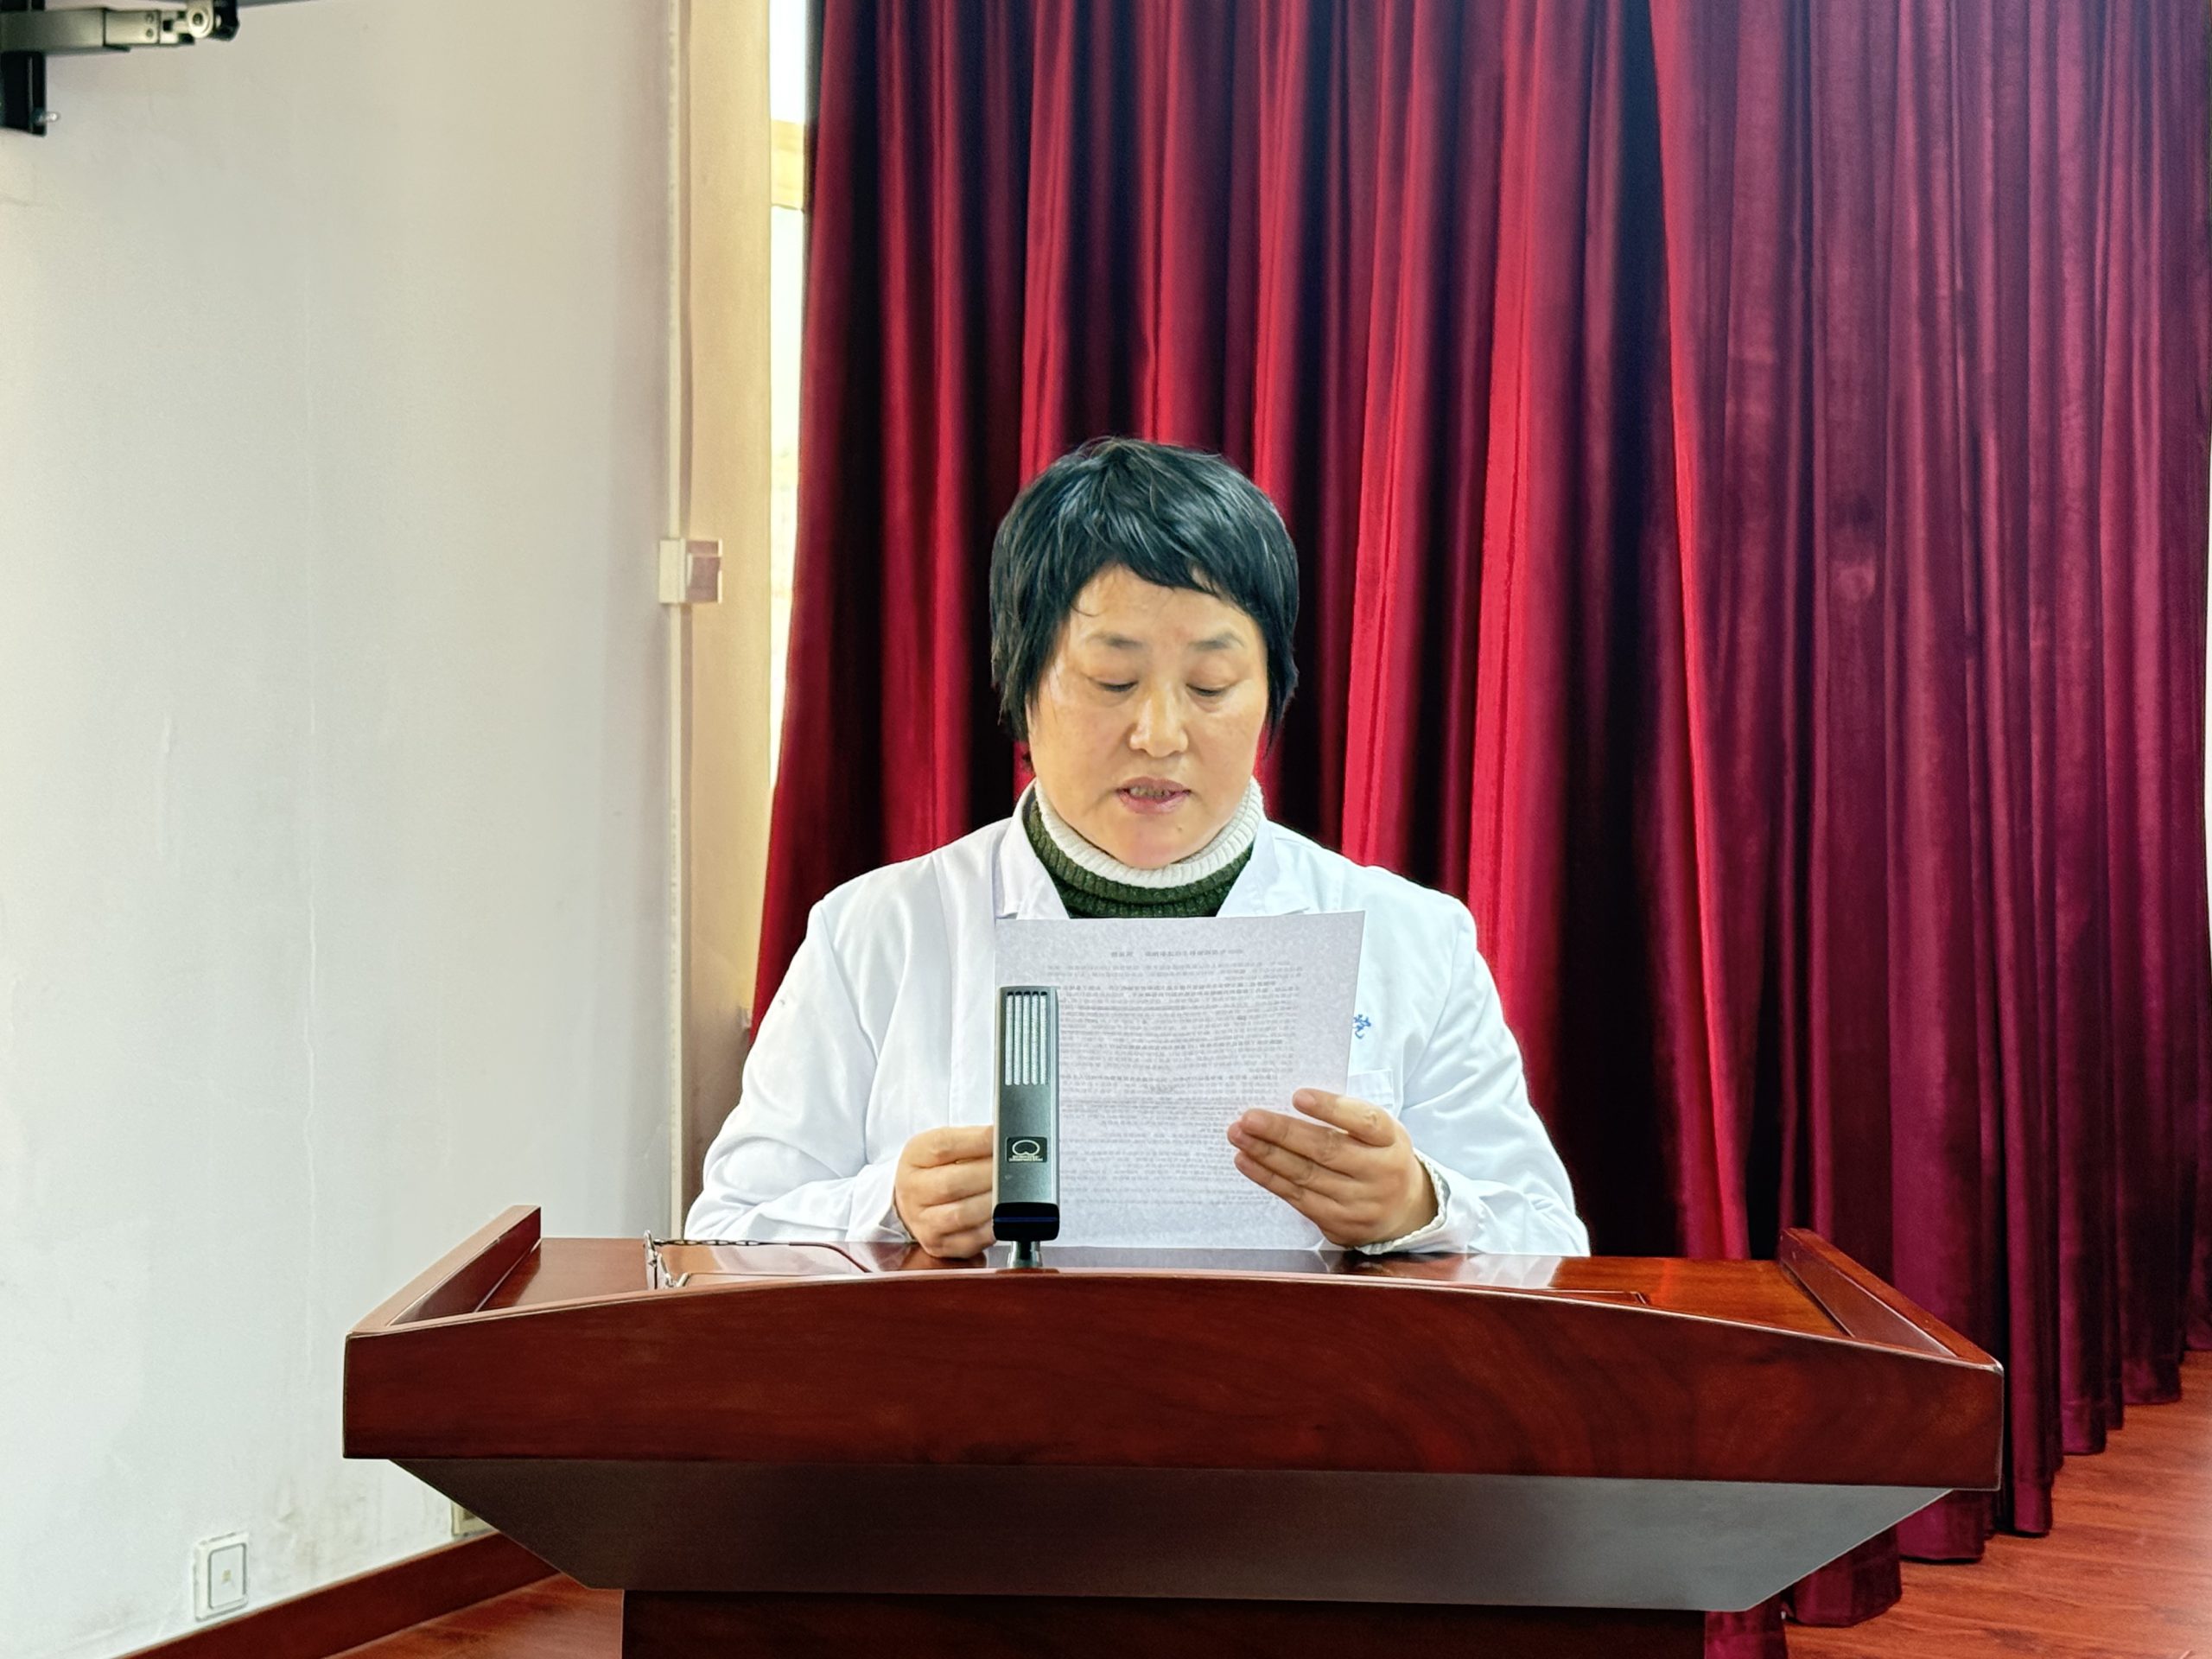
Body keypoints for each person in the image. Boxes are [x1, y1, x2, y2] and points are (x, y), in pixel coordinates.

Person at [689, 437, 1586, 1258]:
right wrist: (890, 1204)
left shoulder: (1411, 937)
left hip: (1292, 1385)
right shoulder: (876, 932)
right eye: (1112, 680)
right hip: (979, 1384)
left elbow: (1551, 1245)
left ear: (1271, 692)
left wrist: (1418, 1205)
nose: (1159, 734)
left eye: (1211, 685)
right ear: (1021, 683)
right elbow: (726, 1232)